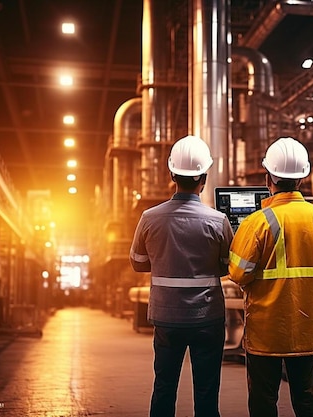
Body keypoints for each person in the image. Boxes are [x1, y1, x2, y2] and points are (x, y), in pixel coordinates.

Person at [228, 136, 313, 417]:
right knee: (306, 395)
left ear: (269, 178)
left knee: (263, 399)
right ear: (302, 180)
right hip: (306, 328)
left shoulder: (257, 222)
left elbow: (237, 273)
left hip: (266, 333)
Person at [129, 135, 234, 417]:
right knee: (207, 390)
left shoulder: (149, 218)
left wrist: (165, 261)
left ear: (172, 173)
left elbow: (138, 263)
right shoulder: (218, 221)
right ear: (204, 177)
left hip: (167, 317)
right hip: (207, 317)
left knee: (164, 386)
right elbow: (227, 266)